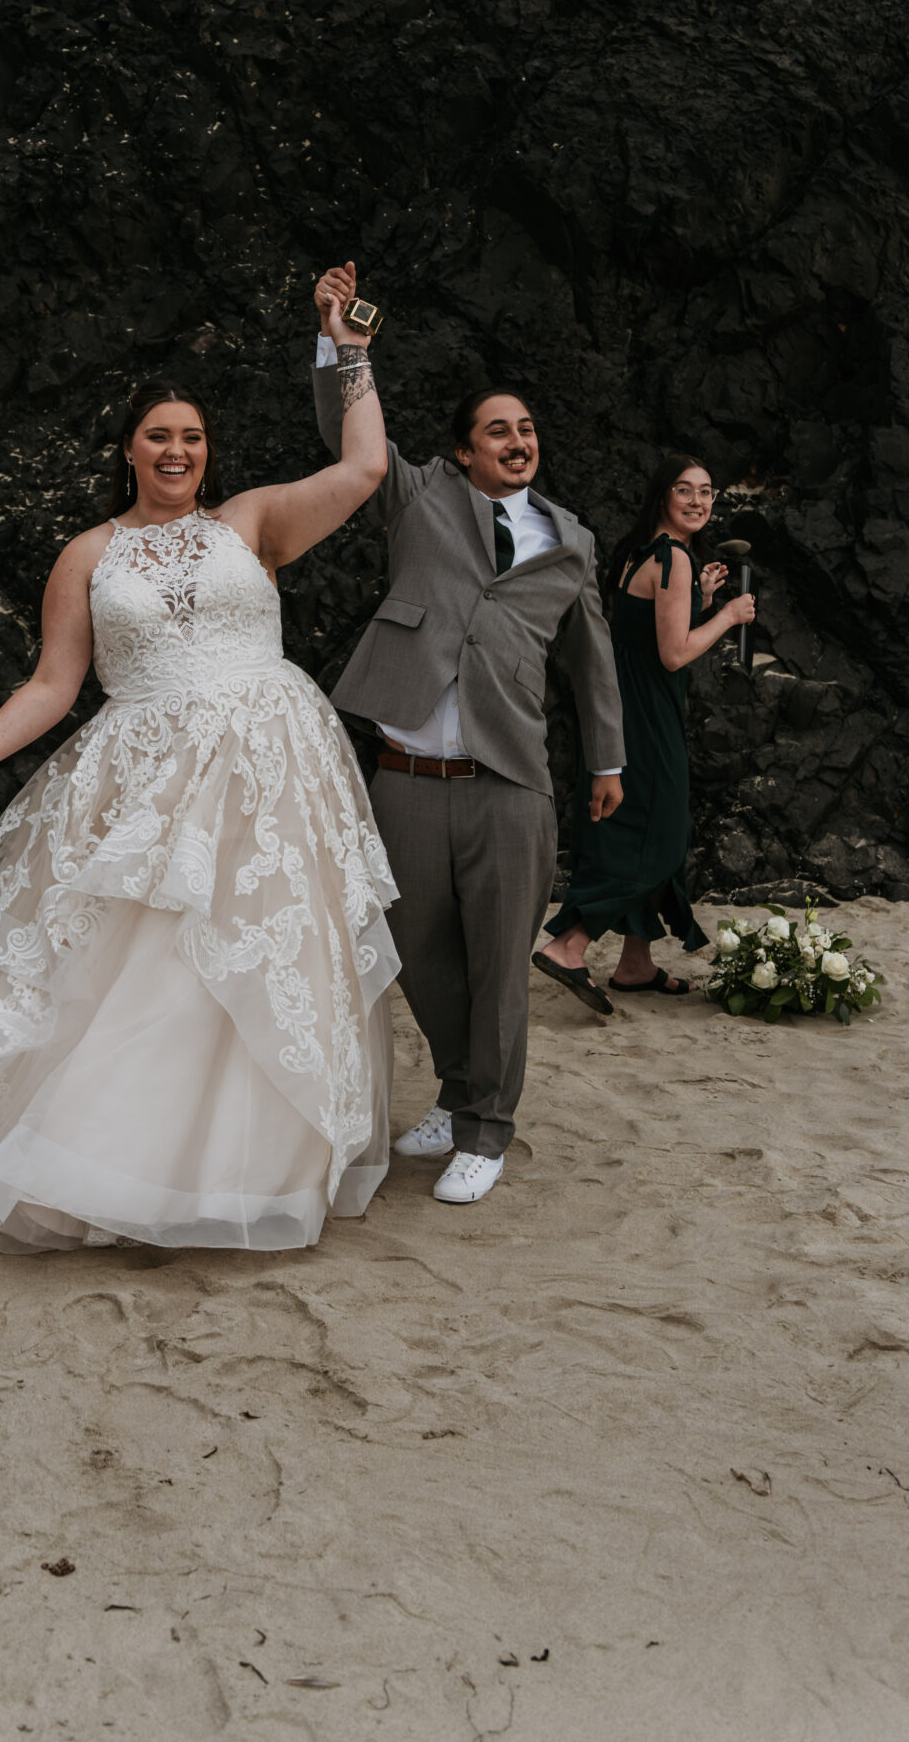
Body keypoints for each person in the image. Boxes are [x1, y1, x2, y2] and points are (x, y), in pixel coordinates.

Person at [0, 280, 400, 1256]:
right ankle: (98, 1168)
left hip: (269, 763)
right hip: (144, 774)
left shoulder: (249, 522)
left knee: (251, 959)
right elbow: (51, 685)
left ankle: (236, 1175)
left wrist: (346, 351)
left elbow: (367, 466)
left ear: (209, 454)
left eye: (192, 438)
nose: (176, 451)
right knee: (141, 971)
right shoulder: (89, 553)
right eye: (159, 435)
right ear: (128, 447)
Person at [310, 263, 626, 1208]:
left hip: (509, 777)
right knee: (414, 948)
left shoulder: (569, 540)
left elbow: (592, 657)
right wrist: (341, 344)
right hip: (404, 773)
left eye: (526, 428)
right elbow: (347, 437)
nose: (517, 440)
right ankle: (459, 1092)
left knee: (499, 963)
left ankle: (487, 1128)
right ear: (461, 452)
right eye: (498, 429)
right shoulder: (417, 499)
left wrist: (605, 756)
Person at [535, 454, 756, 1005]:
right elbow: (674, 653)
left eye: (707, 492)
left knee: (634, 821)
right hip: (649, 715)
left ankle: (636, 964)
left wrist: (700, 601)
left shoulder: (641, 553)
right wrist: (726, 617)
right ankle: (570, 944)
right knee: (661, 834)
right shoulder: (674, 557)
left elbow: (644, 636)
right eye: (685, 490)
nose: (699, 501)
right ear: (663, 496)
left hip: (621, 706)